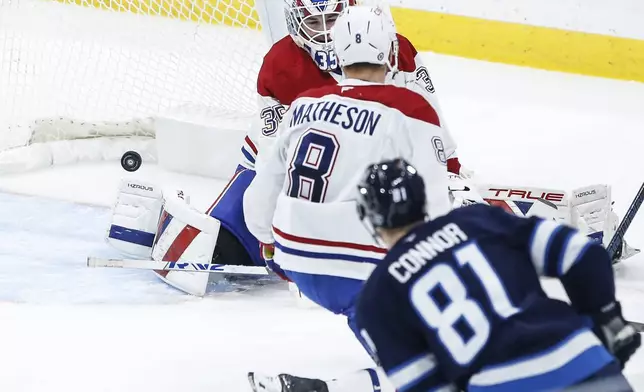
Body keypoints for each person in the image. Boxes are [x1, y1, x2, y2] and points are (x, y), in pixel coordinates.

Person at [104, 0, 465, 296]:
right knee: (225, 249)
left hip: (361, 165)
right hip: (282, 165)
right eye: (314, 24)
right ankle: (166, 223)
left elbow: (431, 122)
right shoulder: (281, 65)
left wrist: (451, 170)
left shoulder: (396, 49)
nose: (325, 34)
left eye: (333, 20)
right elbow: (273, 160)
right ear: (296, 24)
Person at [244, 5, 452, 391]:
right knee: (438, 365)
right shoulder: (409, 109)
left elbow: (259, 198)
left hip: (297, 261)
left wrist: (271, 249)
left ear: (337, 54)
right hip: (360, 267)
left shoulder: (303, 103)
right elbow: (438, 209)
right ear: (390, 51)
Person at [354, 158, 641, 392]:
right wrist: (607, 320)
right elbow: (582, 253)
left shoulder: (375, 298)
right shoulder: (478, 220)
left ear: (368, 219)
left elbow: (426, 385)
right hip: (584, 359)